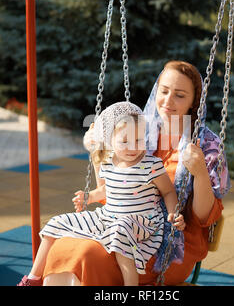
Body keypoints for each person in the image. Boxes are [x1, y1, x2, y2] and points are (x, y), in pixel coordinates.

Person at [42, 60, 231, 286]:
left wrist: (199, 173)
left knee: (87, 255)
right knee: (64, 245)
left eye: (180, 95)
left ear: (193, 102)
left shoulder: (206, 145)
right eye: (164, 91)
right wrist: (97, 153)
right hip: (126, 227)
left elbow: (203, 217)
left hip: (172, 245)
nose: (168, 101)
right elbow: (113, 190)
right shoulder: (141, 131)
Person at [18, 102, 185, 286]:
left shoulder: (151, 165)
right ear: (110, 140)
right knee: (55, 223)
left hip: (141, 222)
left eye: (138, 140)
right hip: (108, 217)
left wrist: (173, 213)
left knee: (120, 230)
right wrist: (89, 197)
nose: (132, 147)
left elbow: (168, 191)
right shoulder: (108, 162)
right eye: (124, 141)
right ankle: (33, 279)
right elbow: (106, 190)